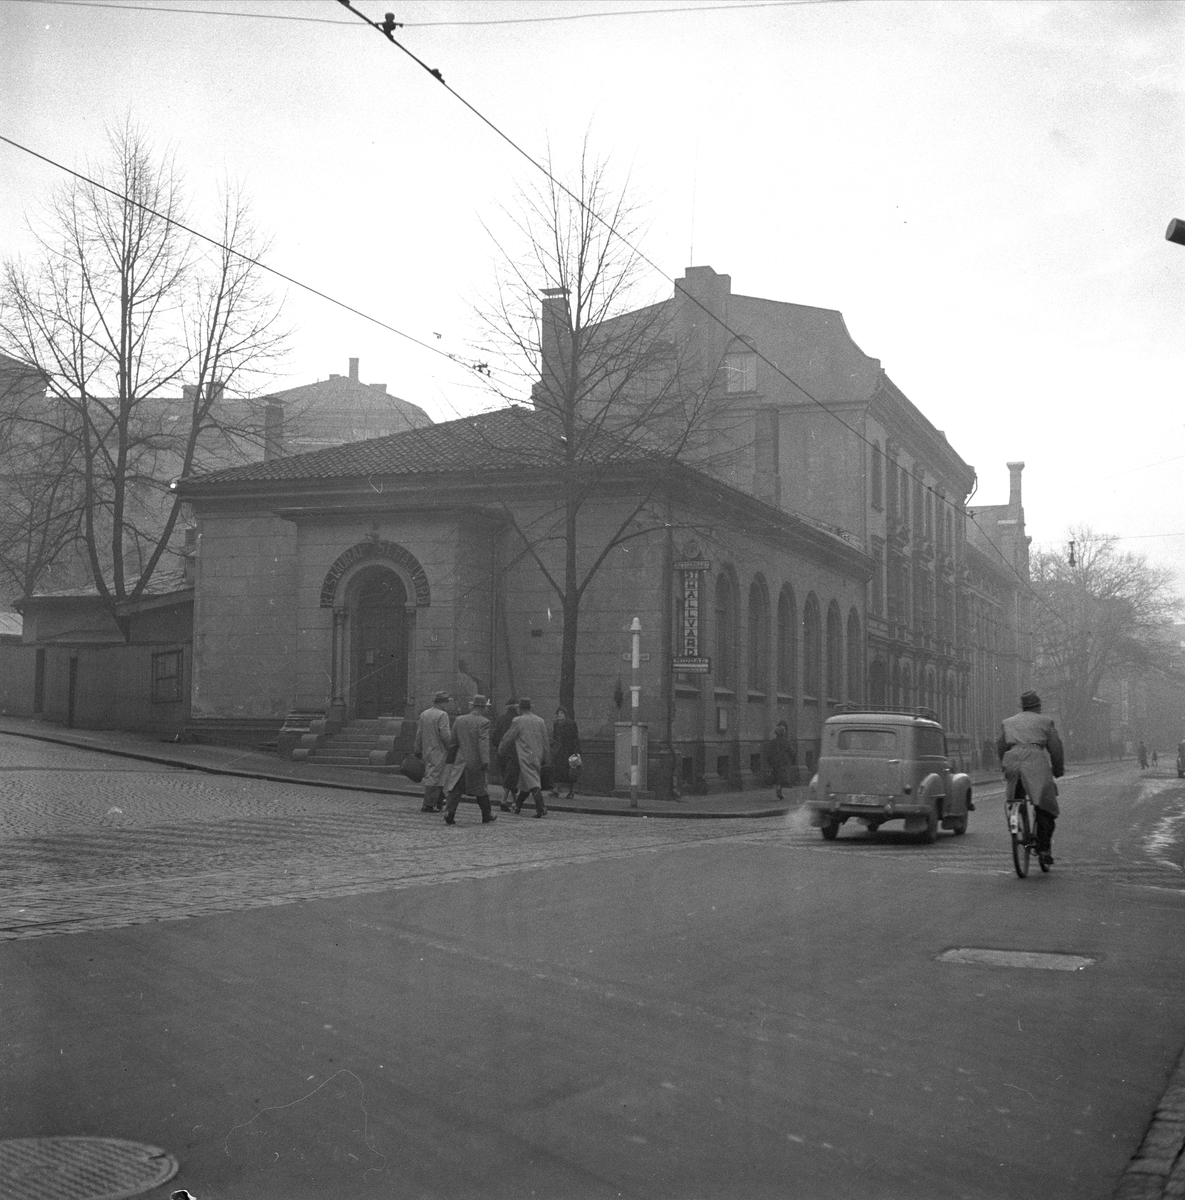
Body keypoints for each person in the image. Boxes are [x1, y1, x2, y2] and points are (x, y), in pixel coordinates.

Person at [996, 690, 1065, 869]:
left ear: (1023, 707)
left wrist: (1004, 764)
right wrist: (1058, 769)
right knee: (1045, 805)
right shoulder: (1045, 721)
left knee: (1014, 797)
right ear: (1038, 707)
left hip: (1012, 759)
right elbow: (1056, 748)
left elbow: (1001, 745)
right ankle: (1043, 850)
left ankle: (1014, 820)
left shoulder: (1008, 722)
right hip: (1035, 760)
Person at [443, 695, 496, 825]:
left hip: (460, 761)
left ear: (473, 706)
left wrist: (450, 758)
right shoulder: (484, 722)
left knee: (456, 789)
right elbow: (483, 743)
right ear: (483, 708)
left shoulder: (459, 720)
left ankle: (449, 813)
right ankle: (486, 814)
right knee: (481, 790)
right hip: (476, 762)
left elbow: (453, 742)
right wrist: (486, 761)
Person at [498, 696, 551, 817]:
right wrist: (547, 758)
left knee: (532, 783)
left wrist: (501, 749)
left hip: (525, 755)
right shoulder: (540, 721)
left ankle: (541, 807)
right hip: (538, 755)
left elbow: (508, 737)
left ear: (520, 708)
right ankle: (517, 806)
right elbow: (546, 741)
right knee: (525, 784)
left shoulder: (518, 720)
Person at [413, 691, 452, 813]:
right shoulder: (443, 715)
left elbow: (419, 733)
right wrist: (450, 747)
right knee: (436, 777)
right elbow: (445, 735)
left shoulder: (425, 714)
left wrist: (417, 748)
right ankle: (429, 804)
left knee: (433, 775)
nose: (448, 705)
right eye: (447, 702)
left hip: (427, 749)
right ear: (442, 703)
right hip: (439, 750)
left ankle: (438, 801)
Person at [491, 699, 520, 811]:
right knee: (513, 777)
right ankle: (506, 801)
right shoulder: (517, 720)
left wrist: (498, 746)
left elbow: (495, 736)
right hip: (514, 752)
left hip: (502, 752)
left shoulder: (501, 719)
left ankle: (515, 801)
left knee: (507, 776)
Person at [549, 707, 581, 799]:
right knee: (557, 769)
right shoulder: (556, 724)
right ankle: (556, 789)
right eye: (558, 713)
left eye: (562, 713)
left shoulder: (571, 724)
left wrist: (576, 750)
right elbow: (555, 736)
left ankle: (571, 791)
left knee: (570, 771)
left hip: (569, 750)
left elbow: (575, 737)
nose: (559, 715)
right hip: (559, 751)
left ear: (565, 715)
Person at [766, 720, 796, 801]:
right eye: (785, 731)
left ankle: (778, 790)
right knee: (782, 778)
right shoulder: (786, 741)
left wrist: (769, 762)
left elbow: (769, 753)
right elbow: (791, 751)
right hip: (784, 762)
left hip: (774, 762)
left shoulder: (773, 742)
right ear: (783, 732)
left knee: (777, 777)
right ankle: (779, 790)